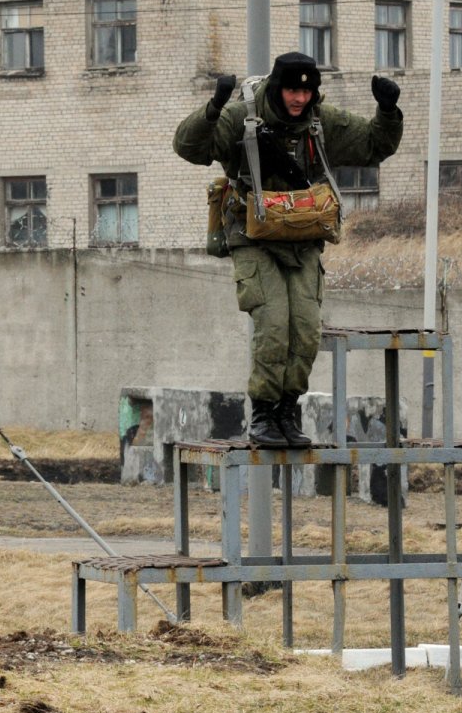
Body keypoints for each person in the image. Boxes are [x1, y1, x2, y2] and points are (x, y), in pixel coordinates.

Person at [173, 51, 403, 447]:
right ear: (278, 88)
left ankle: (287, 412)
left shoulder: (319, 122)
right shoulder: (241, 116)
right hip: (253, 237)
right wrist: (212, 109)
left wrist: (387, 109)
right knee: (274, 325)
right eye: (292, 90)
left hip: (301, 238)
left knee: (306, 330)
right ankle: (263, 413)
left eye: (307, 90)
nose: (299, 98)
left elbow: (371, 146)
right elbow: (188, 147)